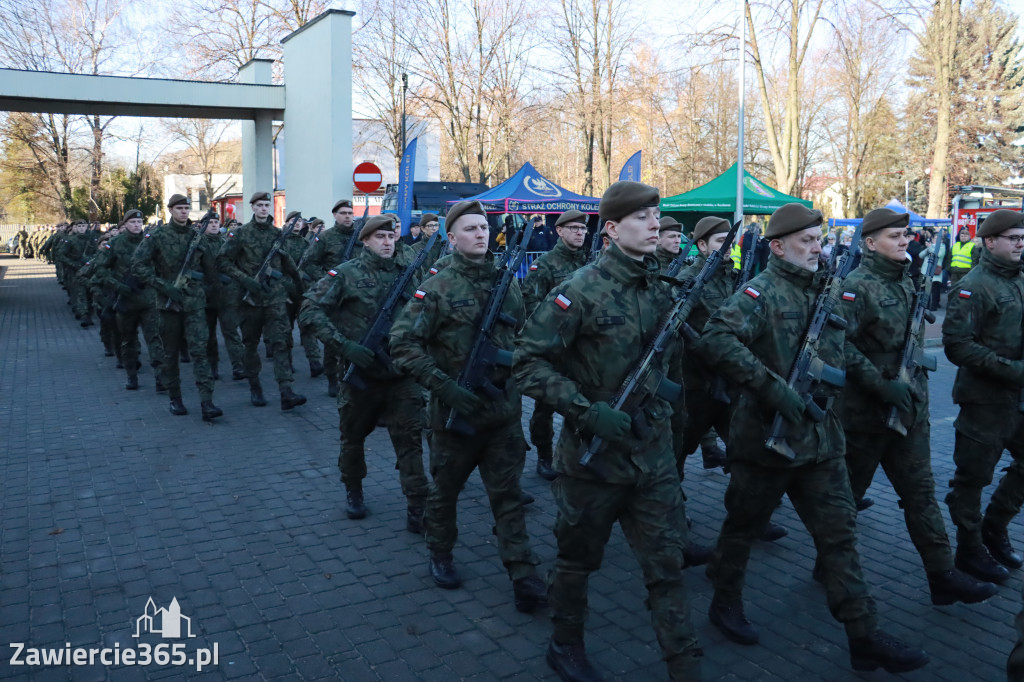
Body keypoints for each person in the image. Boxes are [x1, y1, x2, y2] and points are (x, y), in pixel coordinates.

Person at [700, 202, 928, 674]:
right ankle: (724, 601)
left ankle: (863, 635)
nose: (816, 249)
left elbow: (844, 350)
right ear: (778, 247)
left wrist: (881, 384)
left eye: (819, 240)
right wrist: (771, 389)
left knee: (839, 536)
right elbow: (716, 339)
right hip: (766, 441)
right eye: (806, 242)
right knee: (742, 528)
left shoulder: (829, 289)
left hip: (821, 442)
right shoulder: (759, 293)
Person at [515, 181, 702, 682]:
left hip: (653, 457)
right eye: (642, 218)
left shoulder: (661, 286)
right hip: (593, 461)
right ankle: (564, 644)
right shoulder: (578, 290)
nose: (654, 226)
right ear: (612, 229)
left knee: (667, 566)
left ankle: (684, 665)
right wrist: (585, 411)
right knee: (577, 562)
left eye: (657, 217)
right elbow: (527, 363)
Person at [390, 200, 546, 613]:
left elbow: (525, 335)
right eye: (471, 228)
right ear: (451, 237)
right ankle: (440, 552)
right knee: (444, 493)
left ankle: (522, 572)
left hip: (503, 416)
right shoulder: (438, 286)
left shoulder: (506, 282)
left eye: (484, 227)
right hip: (453, 418)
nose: (480, 233)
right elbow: (402, 343)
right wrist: (445, 387)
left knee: (509, 496)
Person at [835, 206, 997, 606]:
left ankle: (942, 576)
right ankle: (830, 564)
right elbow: (838, 345)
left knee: (921, 494)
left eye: (906, 234)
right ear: (870, 243)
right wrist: (880, 385)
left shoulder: (906, 279)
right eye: (894, 236)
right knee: (846, 499)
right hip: (866, 417)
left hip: (910, 411)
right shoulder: (856, 286)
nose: (905, 240)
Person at [300, 214, 430, 532]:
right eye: (380, 237)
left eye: (391, 236)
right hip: (361, 375)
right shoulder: (346, 274)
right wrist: (344, 346)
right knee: (353, 438)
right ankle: (353, 490)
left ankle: (417, 506)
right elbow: (308, 310)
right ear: (366, 240)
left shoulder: (410, 273)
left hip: (402, 376)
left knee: (411, 442)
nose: (388, 242)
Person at [942, 208, 1024, 585]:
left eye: (1022, 237)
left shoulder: (1019, 279)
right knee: (973, 478)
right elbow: (958, 347)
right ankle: (969, 547)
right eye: (1013, 237)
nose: (1021, 243)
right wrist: (1013, 371)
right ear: (991, 242)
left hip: (1017, 399)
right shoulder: (974, 286)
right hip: (984, 400)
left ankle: (995, 527)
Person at [132, 194, 222, 421]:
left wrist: (207, 290)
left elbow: (211, 270)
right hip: (167, 305)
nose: (184, 212)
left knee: (200, 352)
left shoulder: (197, 237)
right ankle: (175, 398)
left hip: (194, 304)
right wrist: (164, 286)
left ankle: (207, 402)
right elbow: (138, 266)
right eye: (179, 208)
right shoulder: (157, 236)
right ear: (170, 210)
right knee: (170, 354)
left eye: (186, 208)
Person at [217, 192, 307, 411]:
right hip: (250, 301)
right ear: (253, 208)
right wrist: (247, 281)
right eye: (260, 205)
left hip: (275, 298)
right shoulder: (241, 234)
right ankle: (255, 387)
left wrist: (297, 288)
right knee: (250, 345)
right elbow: (223, 261)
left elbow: (288, 265)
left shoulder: (279, 235)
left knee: (281, 343)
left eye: (267, 205)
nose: (264, 208)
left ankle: (286, 391)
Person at [520, 209, 590, 481]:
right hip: (554, 346)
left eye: (583, 229)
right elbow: (532, 305)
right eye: (573, 228)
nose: (579, 233)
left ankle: (578, 453)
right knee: (545, 406)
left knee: (582, 401)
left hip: (582, 349)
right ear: (559, 231)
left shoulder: (590, 261)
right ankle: (544, 455)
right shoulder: (546, 264)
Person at [301, 199, 360, 397]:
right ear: (335, 215)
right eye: (343, 213)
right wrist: (328, 281)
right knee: (332, 339)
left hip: (358, 295)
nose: (348, 216)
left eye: (350, 213)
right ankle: (332, 378)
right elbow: (308, 263)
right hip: (334, 296)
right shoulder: (325, 237)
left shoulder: (362, 236)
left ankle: (354, 376)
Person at [280, 211, 325, 378]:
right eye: (293, 220)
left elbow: (310, 265)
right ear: (287, 222)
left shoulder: (306, 243)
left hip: (303, 291)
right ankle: (287, 361)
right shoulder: (280, 242)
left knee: (307, 326)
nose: (297, 223)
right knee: (285, 328)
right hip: (285, 291)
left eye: (299, 221)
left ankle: (314, 361)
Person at [949, 225, 978, 290]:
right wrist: (949, 269)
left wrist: (972, 272)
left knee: (964, 289)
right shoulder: (955, 245)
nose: (963, 237)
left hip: (966, 272)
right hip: (954, 272)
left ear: (969, 237)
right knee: (954, 289)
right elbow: (949, 258)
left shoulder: (972, 246)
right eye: (961, 236)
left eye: (965, 236)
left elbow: (975, 260)